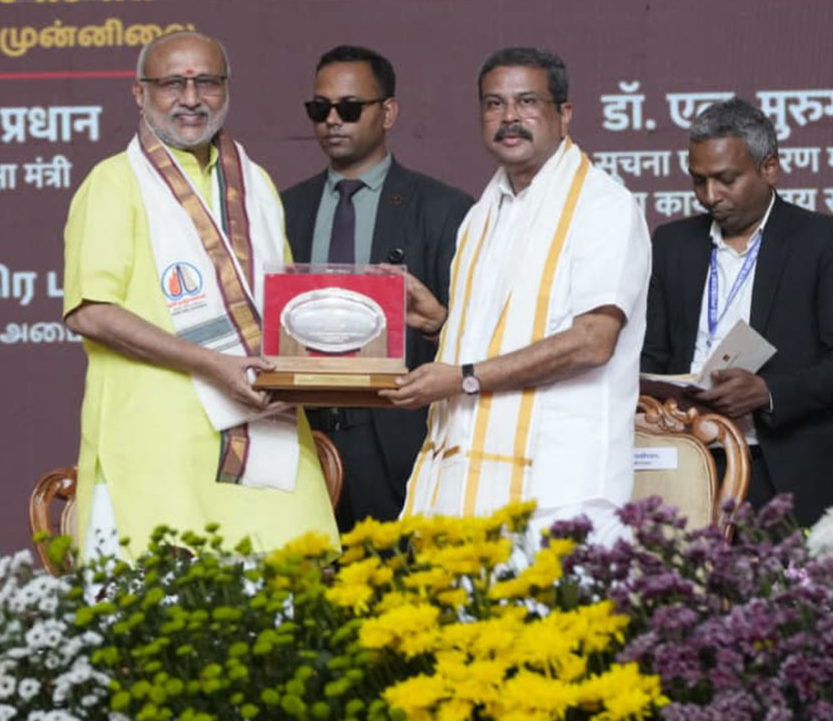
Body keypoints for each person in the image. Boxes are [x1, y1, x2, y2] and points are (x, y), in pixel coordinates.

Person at [63, 30, 339, 559]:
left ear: (226, 89)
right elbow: (90, 313)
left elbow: (278, 312)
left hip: (266, 440)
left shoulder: (254, 183)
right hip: (158, 447)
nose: (191, 99)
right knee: (163, 628)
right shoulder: (114, 183)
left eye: (206, 82)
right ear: (139, 93)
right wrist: (212, 365)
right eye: (172, 84)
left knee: (287, 623)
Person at [384, 47, 649, 541]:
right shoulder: (482, 215)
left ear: (564, 114)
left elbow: (592, 341)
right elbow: (509, 329)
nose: (509, 118)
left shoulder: (603, 206)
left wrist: (462, 378)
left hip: (561, 491)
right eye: (493, 104)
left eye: (527, 102)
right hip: (470, 492)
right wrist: (443, 323)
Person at [280, 45, 472, 530]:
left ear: (387, 112)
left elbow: (473, 336)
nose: (332, 121)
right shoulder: (281, 209)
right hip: (299, 438)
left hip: (398, 439)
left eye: (349, 108)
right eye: (319, 109)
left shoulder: (443, 209)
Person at [641, 98, 833, 526]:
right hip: (687, 462)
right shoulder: (671, 244)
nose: (711, 196)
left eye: (726, 180)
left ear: (769, 168)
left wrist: (767, 393)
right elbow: (651, 355)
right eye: (699, 181)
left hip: (783, 467)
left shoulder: (821, 241)